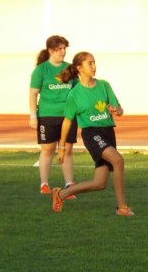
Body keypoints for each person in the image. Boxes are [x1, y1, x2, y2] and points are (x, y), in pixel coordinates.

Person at [50, 51, 134, 216]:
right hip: (91, 133)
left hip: (108, 132)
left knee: (99, 183)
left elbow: (120, 109)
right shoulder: (74, 94)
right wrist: (61, 148)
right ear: (79, 68)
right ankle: (122, 207)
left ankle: (61, 194)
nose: (94, 67)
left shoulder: (104, 85)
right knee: (118, 160)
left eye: (94, 62)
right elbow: (67, 121)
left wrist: (115, 110)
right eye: (90, 63)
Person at [29, 35, 78, 196]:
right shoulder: (41, 70)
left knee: (67, 149)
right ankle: (44, 184)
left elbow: (78, 90)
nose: (63, 52)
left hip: (68, 116)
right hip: (47, 115)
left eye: (64, 48)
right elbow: (33, 93)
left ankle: (69, 185)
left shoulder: (70, 68)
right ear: (51, 50)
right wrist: (33, 115)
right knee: (48, 149)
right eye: (59, 49)